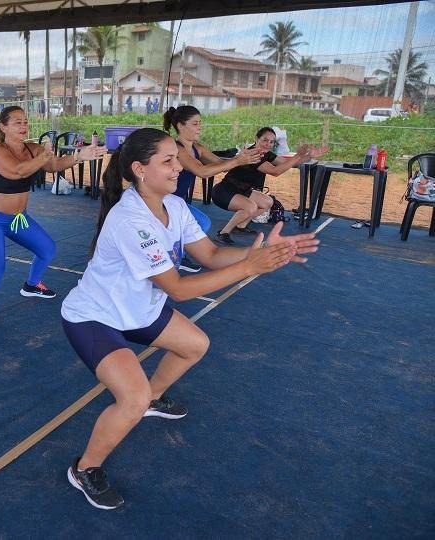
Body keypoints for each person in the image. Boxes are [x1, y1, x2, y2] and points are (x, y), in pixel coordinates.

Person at [60, 128, 319, 510]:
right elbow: (178, 289)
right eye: (168, 160)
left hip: (137, 310)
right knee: (130, 399)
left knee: (195, 345)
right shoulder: (130, 219)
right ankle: (85, 469)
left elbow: (211, 255)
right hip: (95, 317)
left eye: (176, 158)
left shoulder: (174, 207)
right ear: (139, 169)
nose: (178, 166)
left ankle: (154, 397)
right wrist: (251, 267)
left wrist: (263, 252)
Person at [0, 105, 106, 326]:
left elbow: (54, 165)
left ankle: (32, 285)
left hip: (18, 219)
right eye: (17, 122)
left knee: (47, 249)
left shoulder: (33, 149)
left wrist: (79, 156)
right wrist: (44, 155)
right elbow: (18, 171)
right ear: (3, 127)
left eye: (25, 121)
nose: (24, 126)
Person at [163, 105, 262, 267]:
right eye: (195, 124)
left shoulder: (197, 148)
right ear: (181, 125)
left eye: (200, 123)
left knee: (203, 223)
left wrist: (242, 158)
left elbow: (219, 164)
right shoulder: (177, 150)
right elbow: (202, 171)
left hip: (177, 201)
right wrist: (237, 161)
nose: (199, 127)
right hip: (163, 200)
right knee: (202, 224)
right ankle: (176, 256)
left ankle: (176, 254)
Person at [213, 127, 327, 244]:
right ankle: (223, 233)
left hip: (242, 190)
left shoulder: (266, 154)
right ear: (256, 139)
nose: (268, 144)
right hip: (224, 192)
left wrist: (309, 156)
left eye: (271, 142)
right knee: (250, 207)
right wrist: (297, 156)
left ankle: (241, 226)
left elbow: (286, 163)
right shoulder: (254, 155)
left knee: (267, 202)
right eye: (265, 140)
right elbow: (275, 171)